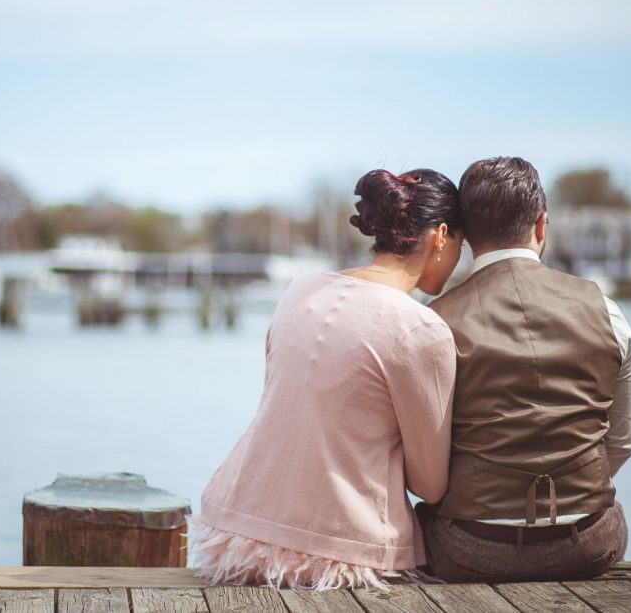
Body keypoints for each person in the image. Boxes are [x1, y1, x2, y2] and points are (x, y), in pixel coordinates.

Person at [187, 168, 464, 589]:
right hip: (338, 551)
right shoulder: (419, 328)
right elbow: (430, 485)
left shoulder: (300, 289)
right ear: (440, 236)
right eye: (461, 243)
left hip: (233, 532)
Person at [416, 156, 631, 583]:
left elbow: (427, 460)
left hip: (471, 551)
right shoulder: (606, 312)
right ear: (541, 226)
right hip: (591, 544)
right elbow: (624, 440)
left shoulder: (434, 322)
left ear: (465, 237)